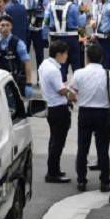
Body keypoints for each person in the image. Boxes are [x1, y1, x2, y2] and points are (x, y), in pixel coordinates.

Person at [70, 44, 110, 192]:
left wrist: (82, 98)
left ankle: (82, 180)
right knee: (103, 149)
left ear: (87, 58)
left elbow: (71, 95)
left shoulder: (78, 73)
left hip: (84, 113)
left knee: (82, 148)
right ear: (102, 58)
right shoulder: (108, 74)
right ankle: (104, 181)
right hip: (102, 113)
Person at [40, 40, 73, 183]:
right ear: (58, 54)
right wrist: (73, 85)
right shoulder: (54, 70)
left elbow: (57, 86)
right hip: (59, 109)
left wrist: (66, 84)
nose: (67, 56)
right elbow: (61, 91)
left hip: (50, 107)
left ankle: (54, 169)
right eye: (65, 54)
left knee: (53, 141)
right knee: (58, 143)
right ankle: (53, 173)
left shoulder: (44, 65)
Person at [0, 15, 32, 101]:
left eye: (7, 25)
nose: (5, 28)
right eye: (2, 25)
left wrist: (29, 84)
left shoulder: (18, 44)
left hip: (14, 83)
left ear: (11, 26)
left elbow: (27, 63)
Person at [45, 0, 87, 79]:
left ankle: (61, 87)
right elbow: (82, 24)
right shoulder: (77, 5)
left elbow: (46, 22)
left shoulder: (50, 5)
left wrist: (44, 38)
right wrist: (83, 14)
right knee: (76, 66)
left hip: (55, 39)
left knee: (60, 66)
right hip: (72, 39)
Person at [18, 0, 48, 70]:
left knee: (39, 53)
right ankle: (24, 76)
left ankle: (40, 77)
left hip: (37, 30)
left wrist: (36, 11)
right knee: (23, 53)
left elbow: (45, 11)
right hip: (25, 29)